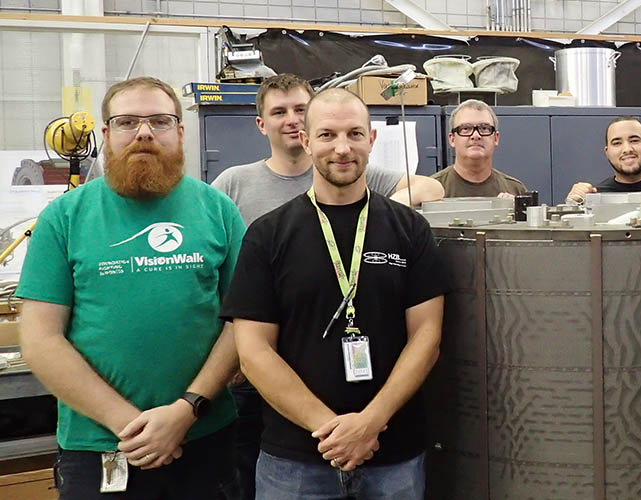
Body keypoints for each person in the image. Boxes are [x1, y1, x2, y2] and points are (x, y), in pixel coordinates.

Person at [209, 73, 443, 499]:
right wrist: (330, 429)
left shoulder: (409, 228)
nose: (342, 148)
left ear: (371, 139)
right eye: (328, 135)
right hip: (295, 460)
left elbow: (426, 336)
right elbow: (254, 349)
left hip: (394, 455)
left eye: (354, 134)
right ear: (307, 139)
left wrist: (370, 422)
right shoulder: (268, 234)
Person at [16, 76, 243, 498]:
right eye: (126, 122)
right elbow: (40, 340)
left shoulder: (218, 210)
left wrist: (185, 411)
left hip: (204, 438)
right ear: (106, 134)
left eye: (159, 121)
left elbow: (242, 323)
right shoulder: (64, 217)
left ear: (179, 131)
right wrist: (132, 426)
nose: (143, 132)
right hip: (102, 446)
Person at [212, 73, 444, 226]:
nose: (292, 120)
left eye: (301, 109)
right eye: (279, 112)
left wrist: (383, 210)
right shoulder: (233, 183)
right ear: (261, 125)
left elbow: (432, 188)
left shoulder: (349, 175)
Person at [430, 99, 528, 197]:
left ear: (496, 138)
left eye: (484, 128)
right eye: (466, 129)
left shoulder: (515, 191)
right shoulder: (432, 191)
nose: (476, 135)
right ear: (452, 139)